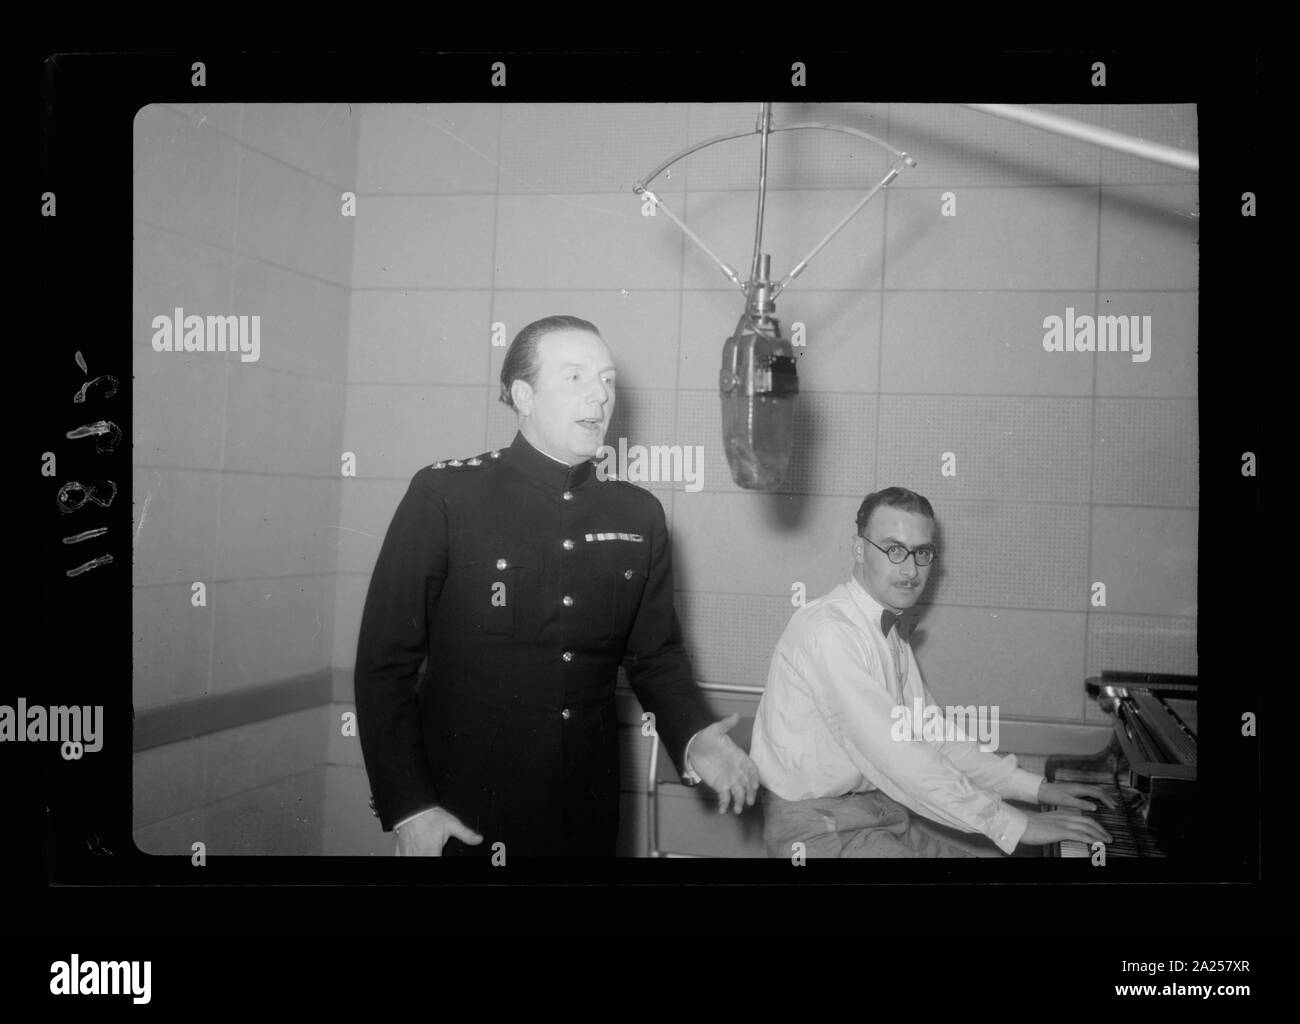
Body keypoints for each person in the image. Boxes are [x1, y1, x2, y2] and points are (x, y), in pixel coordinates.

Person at [354, 315, 758, 857]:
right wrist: (410, 807)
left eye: (608, 380)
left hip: (583, 815)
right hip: (460, 815)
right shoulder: (445, 496)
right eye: (575, 378)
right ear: (523, 394)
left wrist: (692, 734)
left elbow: (655, 656)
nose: (599, 395)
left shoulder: (639, 515)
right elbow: (384, 666)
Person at [749, 486, 1114, 858]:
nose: (911, 570)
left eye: (922, 553)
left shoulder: (890, 634)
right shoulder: (828, 632)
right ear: (859, 550)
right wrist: (1014, 824)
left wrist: (1033, 789)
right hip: (819, 828)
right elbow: (896, 752)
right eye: (894, 550)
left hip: (879, 812)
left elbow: (933, 736)